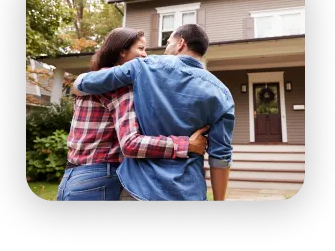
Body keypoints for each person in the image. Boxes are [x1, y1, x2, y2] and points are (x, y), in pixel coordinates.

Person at [74, 24, 235, 201]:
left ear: (181, 43)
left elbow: (87, 82)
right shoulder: (222, 93)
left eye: (168, 42)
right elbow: (220, 156)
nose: (165, 48)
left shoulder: (144, 66)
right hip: (189, 192)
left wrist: (77, 85)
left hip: (140, 190)